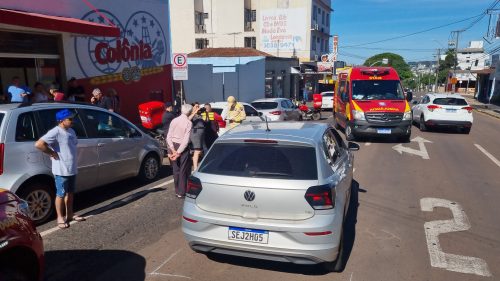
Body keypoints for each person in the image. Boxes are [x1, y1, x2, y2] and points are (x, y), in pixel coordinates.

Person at [34, 109, 85, 229]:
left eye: (73, 119)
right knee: (60, 194)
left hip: (71, 168)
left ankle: (70, 214)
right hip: (61, 170)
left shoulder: (71, 130)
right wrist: (51, 152)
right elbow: (39, 144)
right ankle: (60, 217)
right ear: (61, 121)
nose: (73, 121)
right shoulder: (55, 132)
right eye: (70, 119)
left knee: (70, 193)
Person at [166, 104, 193, 198]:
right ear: (189, 112)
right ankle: (182, 192)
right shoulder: (188, 123)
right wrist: (178, 152)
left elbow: (168, 136)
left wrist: (172, 149)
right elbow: (186, 140)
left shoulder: (174, 120)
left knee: (176, 169)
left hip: (173, 144)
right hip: (183, 148)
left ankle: (177, 190)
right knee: (183, 169)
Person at [189, 103, 206, 171]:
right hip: (196, 133)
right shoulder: (192, 115)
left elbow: (205, 122)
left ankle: (198, 166)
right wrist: (195, 112)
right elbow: (188, 119)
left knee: (200, 151)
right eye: (196, 106)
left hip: (201, 133)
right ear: (192, 107)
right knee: (197, 151)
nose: (198, 107)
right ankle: (195, 168)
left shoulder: (199, 115)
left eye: (199, 106)